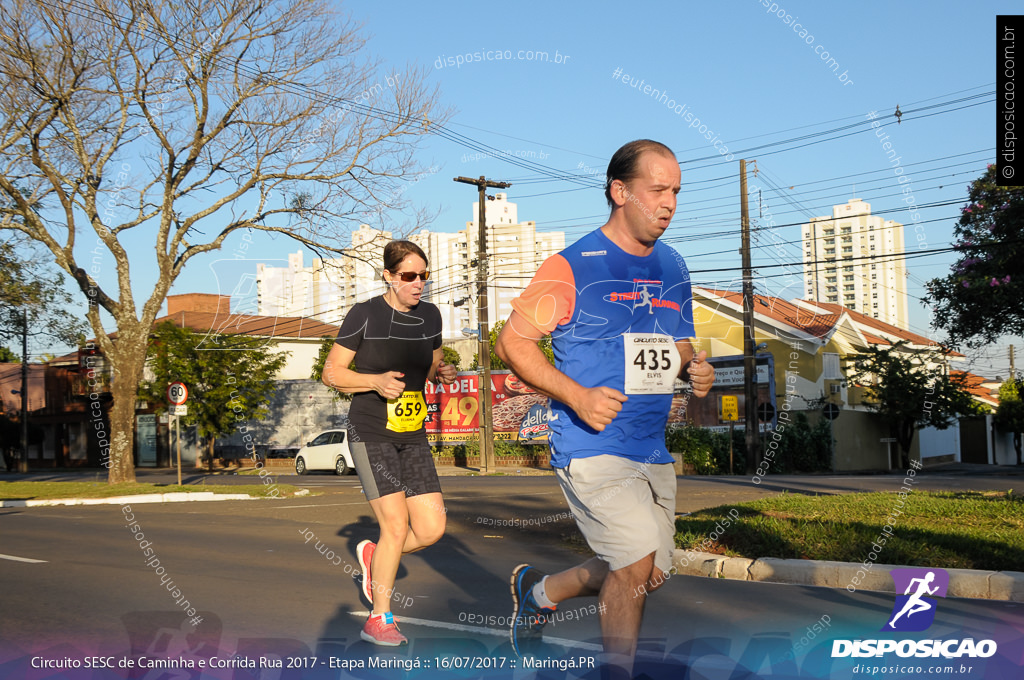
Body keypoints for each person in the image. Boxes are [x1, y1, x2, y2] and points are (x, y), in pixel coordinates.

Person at [495, 139, 716, 676]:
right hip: (590, 444)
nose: (669, 203)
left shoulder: (674, 265)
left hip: (650, 447)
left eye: (676, 192)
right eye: (657, 190)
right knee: (637, 559)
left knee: (650, 571)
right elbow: (512, 343)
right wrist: (576, 395)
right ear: (620, 191)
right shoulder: (570, 266)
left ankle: (540, 592)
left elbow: (679, 342)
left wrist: (695, 369)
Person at [321, 239, 457, 646]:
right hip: (371, 431)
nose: (418, 284)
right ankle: (378, 619)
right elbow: (332, 372)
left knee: (432, 529)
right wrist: (373, 382)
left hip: (412, 434)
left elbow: (429, 361)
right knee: (395, 526)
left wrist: (441, 371)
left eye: (424, 276)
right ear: (388, 276)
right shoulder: (364, 315)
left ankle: (373, 556)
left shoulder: (431, 316)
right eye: (409, 276)